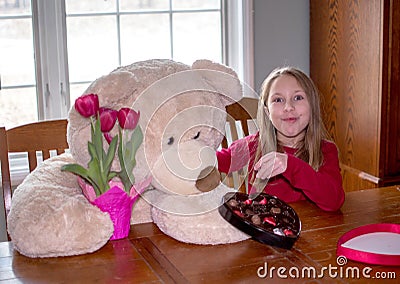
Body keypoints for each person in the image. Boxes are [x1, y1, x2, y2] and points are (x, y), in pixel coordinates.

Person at [217, 66, 345, 211]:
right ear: (267, 112)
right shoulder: (252, 146)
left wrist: (291, 166)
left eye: (298, 98)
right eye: (278, 100)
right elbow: (210, 161)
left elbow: (334, 201)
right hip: (265, 231)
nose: (288, 107)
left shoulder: (326, 150)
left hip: (314, 230)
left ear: (312, 106)